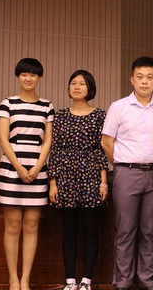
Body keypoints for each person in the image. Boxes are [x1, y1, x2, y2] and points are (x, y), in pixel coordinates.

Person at [101, 56, 153, 290]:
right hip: (126, 173)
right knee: (125, 231)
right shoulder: (118, 107)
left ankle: (148, 282)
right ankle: (123, 282)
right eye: (140, 77)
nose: (144, 82)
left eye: (149, 77)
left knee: (150, 231)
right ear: (132, 79)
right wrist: (121, 164)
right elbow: (107, 141)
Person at [0, 57, 54, 290]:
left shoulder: (47, 106)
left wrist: (38, 167)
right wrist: (19, 167)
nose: (28, 78)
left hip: (38, 169)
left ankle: (25, 280)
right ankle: (13, 279)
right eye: (24, 74)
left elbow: (47, 140)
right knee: (12, 226)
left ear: (39, 77)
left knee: (31, 225)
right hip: (12, 169)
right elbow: (3, 139)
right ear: (18, 77)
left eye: (33, 74)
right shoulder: (7, 104)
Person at [49, 70, 108, 290]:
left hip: (91, 176)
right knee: (69, 232)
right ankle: (70, 280)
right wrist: (53, 182)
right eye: (73, 83)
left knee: (90, 231)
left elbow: (102, 150)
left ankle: (86, 280)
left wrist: (103, 181)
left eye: (82, 84)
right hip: (65, 177)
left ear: (90, 88)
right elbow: (55, 150)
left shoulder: (99, 115)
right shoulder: (60, 115)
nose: (76, 87)